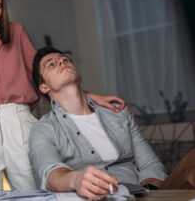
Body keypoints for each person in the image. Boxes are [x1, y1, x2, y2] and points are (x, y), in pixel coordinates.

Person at [0, 0, 128, 193]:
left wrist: (87, 97)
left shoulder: (16, 32)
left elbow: (41, 77)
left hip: (20, 120)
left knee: (39, 191)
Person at [29, 46, 168, 200]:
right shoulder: (43, 129)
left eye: (65, 59)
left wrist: (150, 188)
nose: (61, 61)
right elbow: (50, 173)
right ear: (44, 87)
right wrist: (75, 179)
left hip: (137, 195)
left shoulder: (117, 112)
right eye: (51, 64)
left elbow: (149, 164)